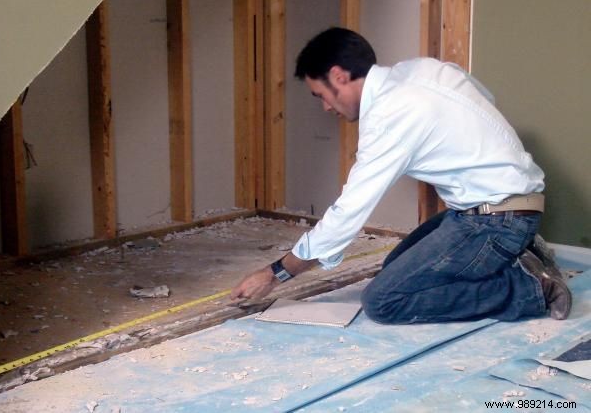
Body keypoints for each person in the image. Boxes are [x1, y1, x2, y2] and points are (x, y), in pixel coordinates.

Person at [230, 27, 571, 323]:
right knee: (396, 268)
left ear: (338, 76)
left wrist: (275, 273)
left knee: (384, 301)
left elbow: (347, 214)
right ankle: (521, 252)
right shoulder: (420, 69)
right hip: (494, 210)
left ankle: (530, 290)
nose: (325, 107)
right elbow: (485, 98)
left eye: (320, 95)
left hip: (495, 220)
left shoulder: (389, 114)